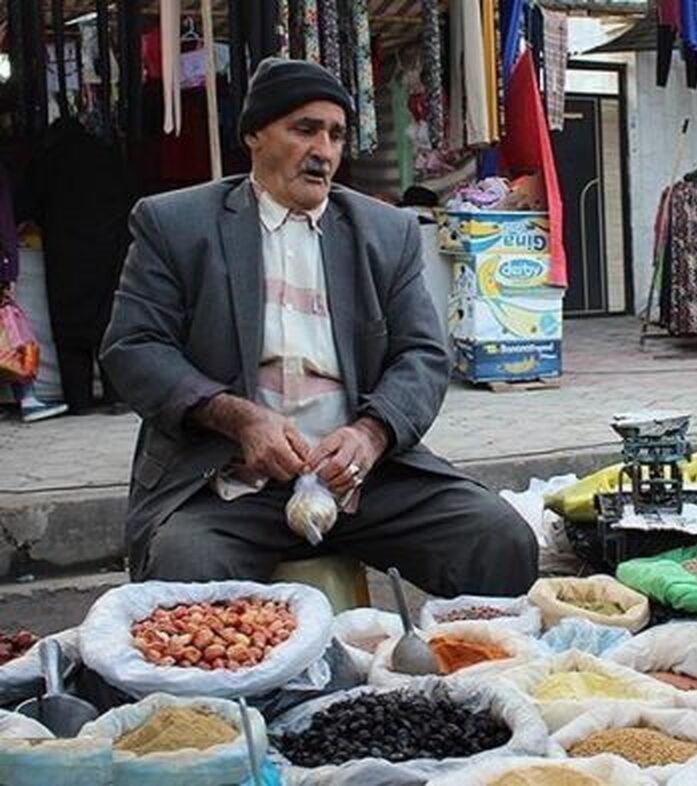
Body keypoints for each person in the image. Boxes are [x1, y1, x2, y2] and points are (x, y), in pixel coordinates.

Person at [101, 59, 538, 594]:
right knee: (185, 570)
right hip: (228, 482)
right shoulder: (176, 224)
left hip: (361, 479)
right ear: (254, 135)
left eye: (335, 135)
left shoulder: (385, 232)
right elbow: (134, 347)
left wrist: (370, 434)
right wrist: (239, 419)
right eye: (304, 129)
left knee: (497, 538)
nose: (324, 151)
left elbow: (423, 354)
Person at [19, 114, 135, 414]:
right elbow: (131, 197)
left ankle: (78, 399)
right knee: (110, 321)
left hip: (65, 254)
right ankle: (116, 396)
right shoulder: (107, 156)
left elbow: (28, 205)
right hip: (109, 249)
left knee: (69, 328)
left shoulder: (48, 161)